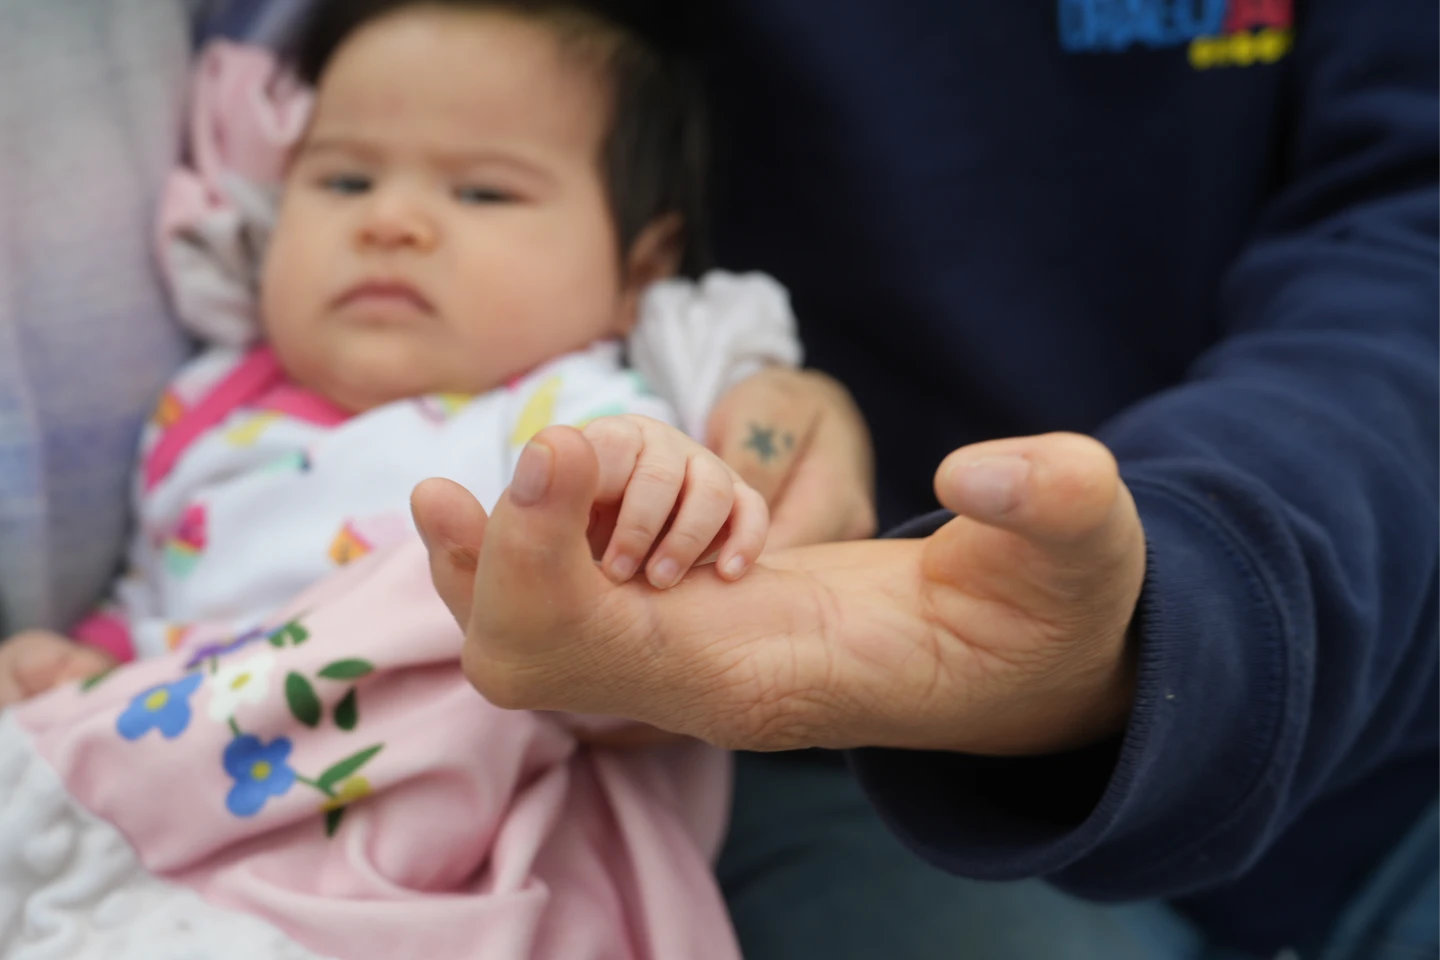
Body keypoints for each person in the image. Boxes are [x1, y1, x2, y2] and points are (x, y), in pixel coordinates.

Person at [410, 1, 1440, 959]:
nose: (396, 221)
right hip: (831, 748)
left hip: (1377, 708)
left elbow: (1408, 227)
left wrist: (1191, 591)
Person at [0, 0, 785, 702]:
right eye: (345, 182)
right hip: (186, 796)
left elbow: (641, 615)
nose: (390, 221)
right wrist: (74, 670)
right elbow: (149, 602)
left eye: (482, 192)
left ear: (639, 272)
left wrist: (663, 491)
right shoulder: (204, 405)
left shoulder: (576, 426)